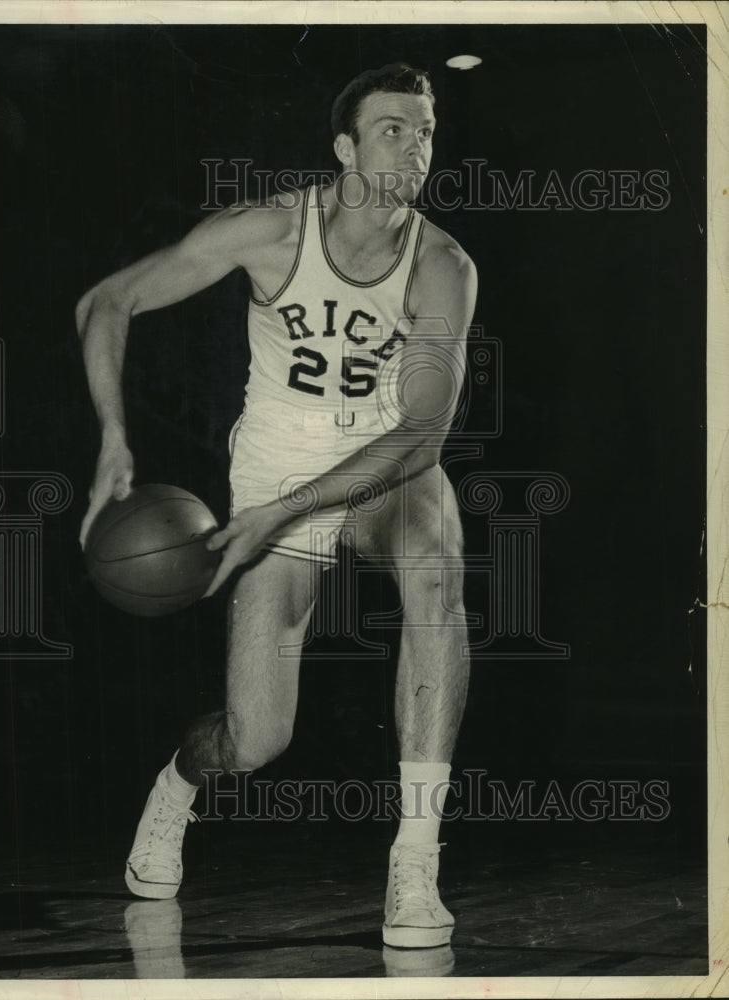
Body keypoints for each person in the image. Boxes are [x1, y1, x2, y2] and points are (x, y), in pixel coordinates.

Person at [77, 62, 477, 949]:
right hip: (273, 478)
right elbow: (107, 302)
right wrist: (113, 437)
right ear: (344, 147)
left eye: (424, 131)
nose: (414, 148)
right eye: (392, 129)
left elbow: (421, 436)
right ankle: (179, 785)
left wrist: (299, 504)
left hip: (381, 469)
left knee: (438, 564)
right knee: (255, 742)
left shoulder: (442, 265)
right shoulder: (267, 229)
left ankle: (415, 862)